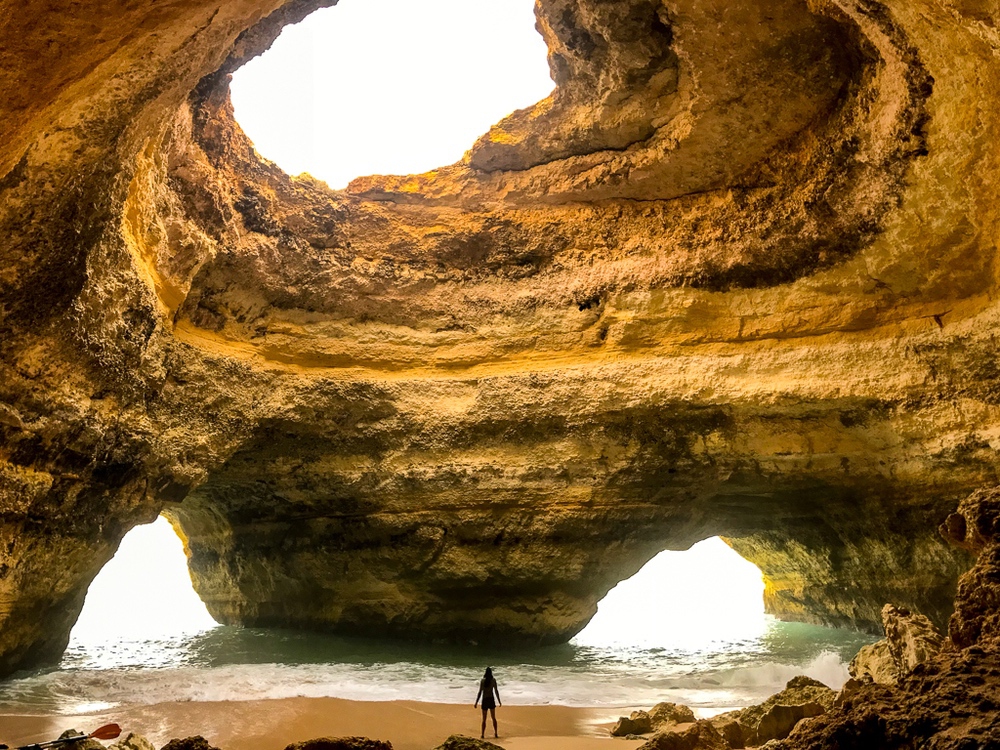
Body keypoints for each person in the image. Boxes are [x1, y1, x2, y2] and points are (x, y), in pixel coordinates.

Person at [474, 666, 501, 738]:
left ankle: (482, 734)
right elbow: (496, 691)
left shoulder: (483, 681)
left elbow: (480, 692)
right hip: (491, 700)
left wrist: (476, 702)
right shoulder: (493, 680)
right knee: (493, 718)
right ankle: (496, 733)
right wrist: (499, 700)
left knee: (484, 719)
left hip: (485, 700)